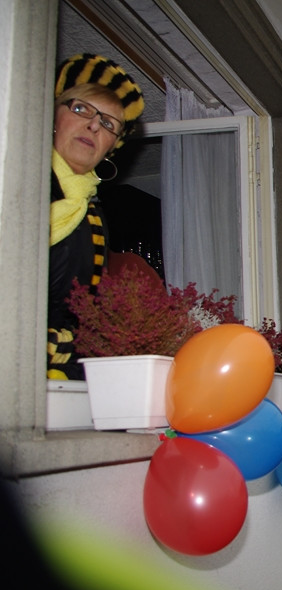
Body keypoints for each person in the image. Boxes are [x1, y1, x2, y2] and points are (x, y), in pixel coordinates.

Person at [47, 53, 145, 380]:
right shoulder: (15, 178)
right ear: (53, 117)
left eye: (107, 124)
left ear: (109, 148)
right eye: (81, 109)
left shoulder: (92, 212)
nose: (93, 124)